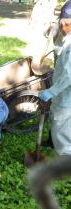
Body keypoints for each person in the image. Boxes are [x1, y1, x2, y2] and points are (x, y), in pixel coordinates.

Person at [38, 0, 71, 156]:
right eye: (61, 22)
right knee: (58, 126)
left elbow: (68, 75)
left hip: (65, 97)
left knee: (62, 132)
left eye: (66, 23)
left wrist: (51, 92)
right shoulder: (67, 39)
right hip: (62, 95)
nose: (63, 26)